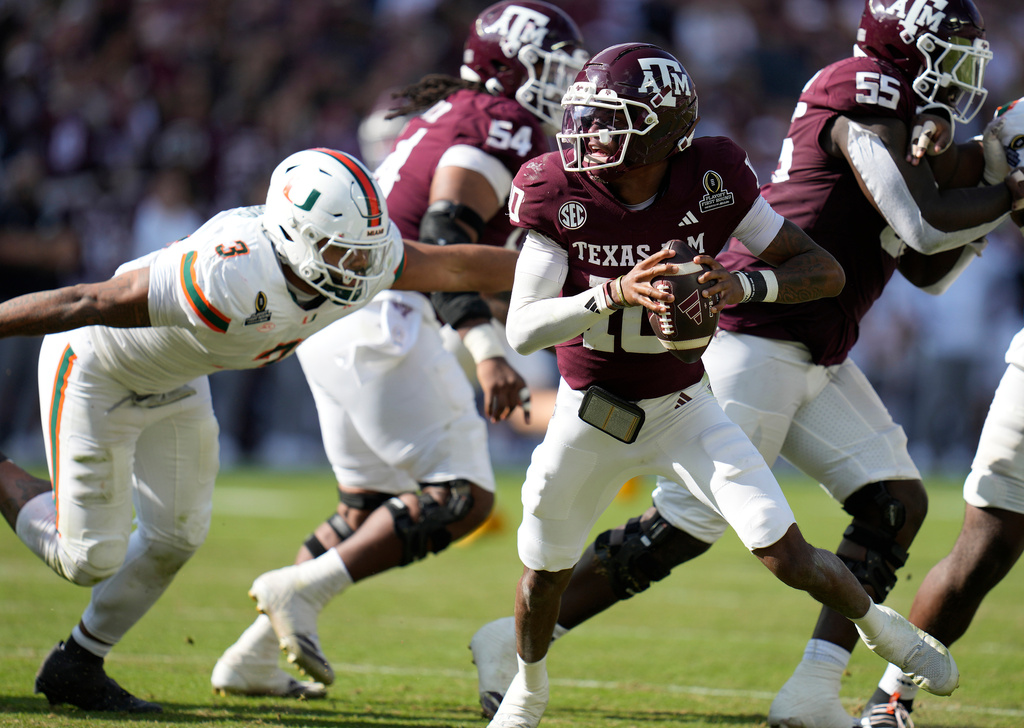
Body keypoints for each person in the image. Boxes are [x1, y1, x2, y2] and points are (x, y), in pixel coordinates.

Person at [470, 3, 1024, 727]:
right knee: (685, 526)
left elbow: (929, 268)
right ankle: (510, 647)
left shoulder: (911, 118)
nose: (959, 70)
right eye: (947, 50)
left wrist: (985, 185)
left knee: (895, 505)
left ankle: (812, 690)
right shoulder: (860, 91)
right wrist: (1004, 188)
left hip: (814, 343)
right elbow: (919, 222)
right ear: (904, 43)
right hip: (754, 334)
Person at [0, 146, 520, 713]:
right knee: (88, 560)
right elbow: (86, 300)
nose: (359, 267)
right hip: (97, 372)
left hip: (180, 381)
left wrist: (579, 269)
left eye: (365, 252)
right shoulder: (229, 271)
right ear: (295, 235)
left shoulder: (364, 259)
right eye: (341, 252)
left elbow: (455, 266)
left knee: (174, 539)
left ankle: (77, 663)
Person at [208, 1, 589, 698]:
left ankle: (253, 658)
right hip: (388, 315)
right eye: (551, 69)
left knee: (365, 505)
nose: (562, 87)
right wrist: (486, 346)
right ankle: (303, 596)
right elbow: (445, 232)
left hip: (339, 319)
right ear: (507, 64)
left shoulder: (453, 113)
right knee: (465, 497)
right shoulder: (499, 122)